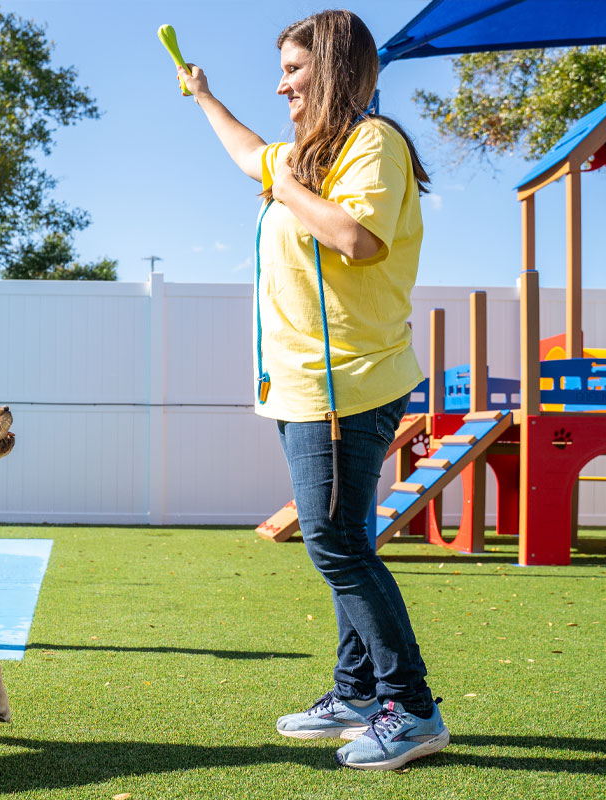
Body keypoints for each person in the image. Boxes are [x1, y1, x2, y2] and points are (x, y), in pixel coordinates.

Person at [178, 9, 450, 771]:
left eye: (295, 70)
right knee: (346, 539)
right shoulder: (305, 154)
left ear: (329, 70)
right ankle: (359, 691)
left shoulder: (372, 143)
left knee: (333, 545)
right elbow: (245, 156)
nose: (282, 84)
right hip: (304, 386)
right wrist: (203, 96)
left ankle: (413, 709)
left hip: (347, 384)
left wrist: (291, 185)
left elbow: (357, 240)